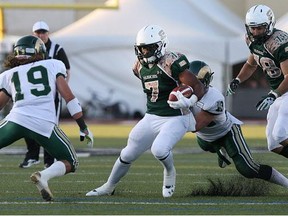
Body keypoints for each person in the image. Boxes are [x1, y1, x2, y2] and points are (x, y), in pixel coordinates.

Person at [85, 24, 205, 198]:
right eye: (142, 48)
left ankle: (170, 171)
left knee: (159, 150)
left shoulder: (172, 62)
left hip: (176, 117)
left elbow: (197, 85)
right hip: (151, 116)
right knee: (127, 153)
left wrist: (190, 99)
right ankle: (109, 186)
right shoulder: (138, 67)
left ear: (161, 45)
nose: (146, 52)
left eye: (150, 48)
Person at [0, 35, 93, 201]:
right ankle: (43, 176)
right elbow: (69, 97)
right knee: (71, 161)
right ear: (39, 51)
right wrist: (82, 126)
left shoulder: (9, 74)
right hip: (43, 123)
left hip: (16, 120)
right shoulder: (53, 64)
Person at [190, 60, 288, 188]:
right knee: (205, 145)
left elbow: (195, 126)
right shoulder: (180, 91)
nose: (192, 86)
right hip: (205, 138)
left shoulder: (214, 98)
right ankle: (221, 149)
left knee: (248, 169)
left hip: (226, 132)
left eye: (196, 82)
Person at [226, 5, 288, 159]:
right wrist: (238, 79)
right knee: (273, 144)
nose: (255, 32)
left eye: (259, 28)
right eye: (252, 28)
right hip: (278, 93)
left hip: (284, 91)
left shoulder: (280, 43)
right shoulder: (251, 40)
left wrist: (274, 94)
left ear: (269, 25)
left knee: (280, 134)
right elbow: (251, 63)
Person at [19, 21, 71, 169]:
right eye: (38, 33)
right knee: (27, 123)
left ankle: (49, 160)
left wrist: (61, 88)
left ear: (48, 33)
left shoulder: (56, 49)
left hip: (51, 95)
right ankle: (32, 156)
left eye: (43, 32)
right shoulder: (28, 47)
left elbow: (67, 71)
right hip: (31, 95)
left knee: (50, 126)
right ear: (33, 34)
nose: (41, 35)